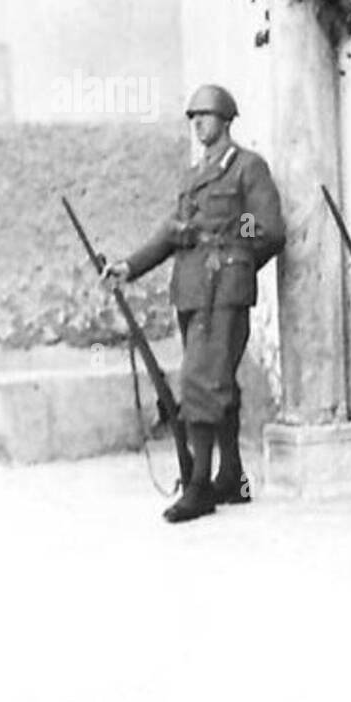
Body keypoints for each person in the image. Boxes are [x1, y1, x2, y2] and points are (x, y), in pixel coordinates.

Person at [104, 85, 286, 523]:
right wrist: (128, 267)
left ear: (226, 120)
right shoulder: (192, 175)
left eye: (205, 115)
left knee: (200, 382)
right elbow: (171, 232)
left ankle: (199, 485)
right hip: (189, 289)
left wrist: (234, 256)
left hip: (222, 289)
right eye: (193, 117)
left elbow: (269, 228)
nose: (198, 123)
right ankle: (232, 477)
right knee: (215, 379)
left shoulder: (247, 167)